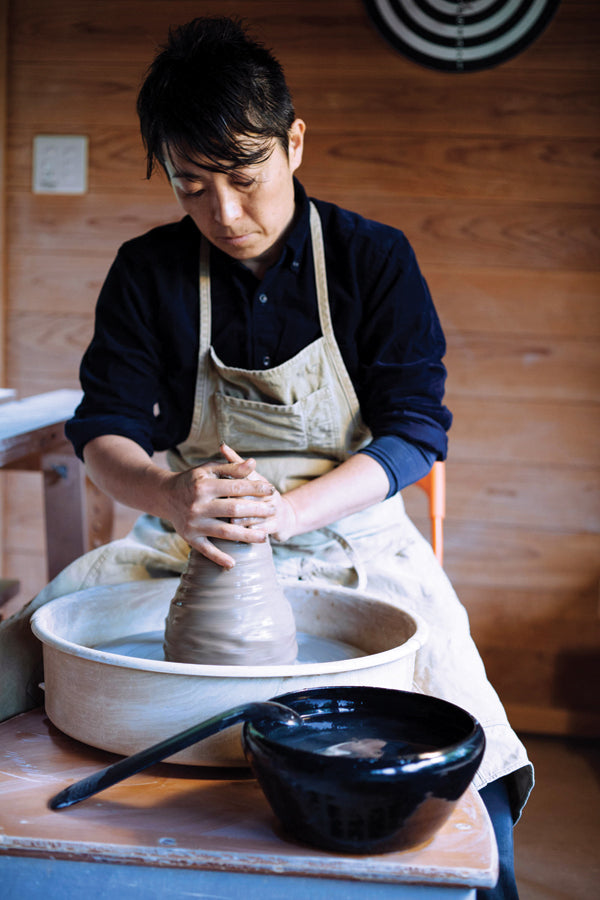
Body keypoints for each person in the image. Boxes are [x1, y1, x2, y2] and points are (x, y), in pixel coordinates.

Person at [0, 17, 532, 897]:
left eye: (245, 178)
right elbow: (103, 428)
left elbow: (415, 430)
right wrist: (168, 494)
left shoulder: (373, 259)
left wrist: (290, 513)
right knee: (20, 654)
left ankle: (489, 876)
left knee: (457, 717)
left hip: (348, 527)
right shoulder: (149, 270)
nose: (226, 213)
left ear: (293, 142)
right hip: (187, 528)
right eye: (193, 187)